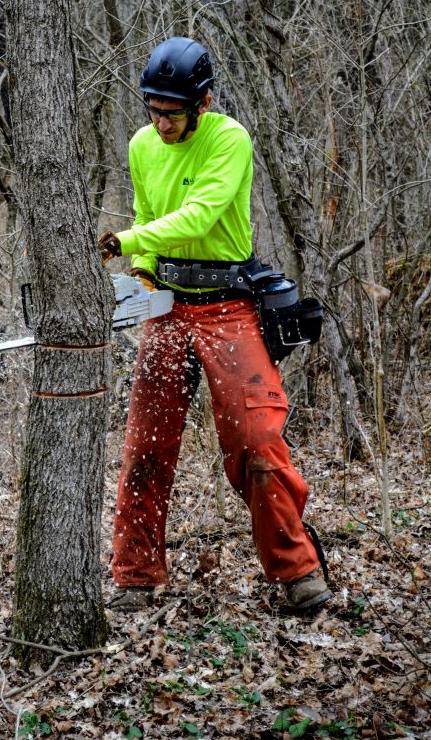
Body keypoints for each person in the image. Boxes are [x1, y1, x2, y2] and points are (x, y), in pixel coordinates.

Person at [98, 37, 331, 613]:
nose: (160, 123)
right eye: (152, 110)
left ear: (202, 103)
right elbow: (149, 217)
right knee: (145, 442)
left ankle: (297, 570)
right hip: (168, 305)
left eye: (172, 113)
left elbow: (201, 213)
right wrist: (143, 276)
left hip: (228, 304)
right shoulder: (142, 145)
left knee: (256, 439)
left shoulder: (229, 139)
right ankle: (134, 573)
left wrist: (126, 241)